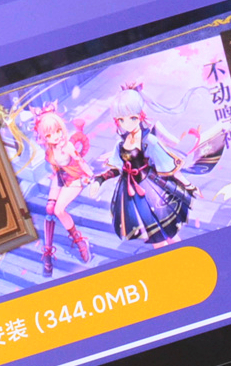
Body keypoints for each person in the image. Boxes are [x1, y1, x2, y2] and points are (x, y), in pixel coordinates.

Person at [95, 84, 198, 246]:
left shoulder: (149, 139)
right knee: (155, 235)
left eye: (132, 118)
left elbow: (166, 163)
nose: (126, 123)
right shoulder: (121, 143)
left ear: (140, 115)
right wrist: (100, 179)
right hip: (131, 194)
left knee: (166, 233)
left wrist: (187, 184)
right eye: (121, 120)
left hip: (151, 188)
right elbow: (117, 167)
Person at [32, 108, 95, 276]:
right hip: (61, 176)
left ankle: (79, 240)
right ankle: (47, 253)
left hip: (74, 177)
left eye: (58, 131)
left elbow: (80, 162)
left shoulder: (67, 146)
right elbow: (56, 167)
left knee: (59, 210)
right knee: (49, 209)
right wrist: (55, 176)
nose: (56, 136)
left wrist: (92, 176)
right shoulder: (50, 150)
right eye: (50, 135)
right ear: (44, 137)